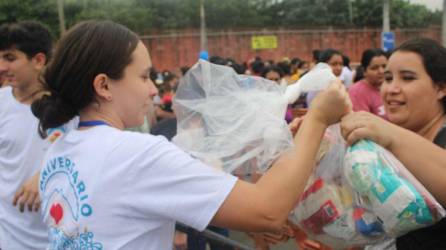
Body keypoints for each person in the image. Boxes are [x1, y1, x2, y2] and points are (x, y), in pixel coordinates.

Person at [31, 20, 350, 249]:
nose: (153, 89)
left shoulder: (59, 150)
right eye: (143, 76)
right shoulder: (135, 153)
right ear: (103, 86)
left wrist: (292, 146)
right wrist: (317, 119)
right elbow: (266, 210)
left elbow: (185, 181)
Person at [341, 38, 446, 249]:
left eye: (407, 78)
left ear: (441, 88)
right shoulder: (387, 145)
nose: (391, 89)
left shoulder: (397, 137)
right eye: (388, 79)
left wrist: (391, 134)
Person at [0, 21, 72, 249]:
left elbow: (90, 155)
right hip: (9, 236)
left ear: (39, 60)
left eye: (10, 58)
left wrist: (45, 174)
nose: (1, 67)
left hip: (61, 235)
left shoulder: (70, 107)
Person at [348, 48, 388, 119]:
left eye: (384, 66)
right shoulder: (357, 92)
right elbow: (363, 123)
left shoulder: (390, 87)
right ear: (364, 71)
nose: (381, 71)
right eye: (374, 68)